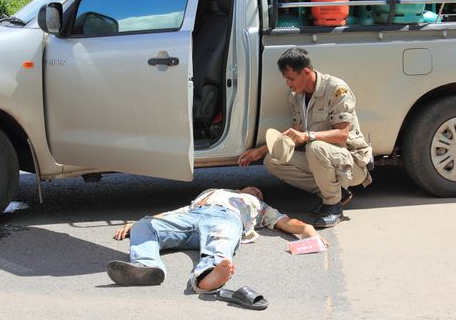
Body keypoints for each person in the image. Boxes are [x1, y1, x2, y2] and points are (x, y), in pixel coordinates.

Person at [238, 47, 372, 228]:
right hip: (323, 158)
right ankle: (335, 192)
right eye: (285, 78)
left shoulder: (335, 89)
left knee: (315, 146)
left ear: (306, 72)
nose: (288, 83)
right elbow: (296, 130)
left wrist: (307, 136)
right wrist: (260, 151)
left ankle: (333, 206)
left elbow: (342, 135)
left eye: (291, 78)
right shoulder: (295, 97)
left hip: (351, 163)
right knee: (272, 160)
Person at [107, 186, 327, 293]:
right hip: (193, 215)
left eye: (259, 193)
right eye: (254, 190)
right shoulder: (212, 193)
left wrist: (310, 231)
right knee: (146, 225)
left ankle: (206, 277)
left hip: (227, 219)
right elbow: (178, 211)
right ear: (240, 188)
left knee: (220, 242)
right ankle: (146, 266)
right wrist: (138, 222)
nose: (257, 192)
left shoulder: (258, 207)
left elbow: (287, 222)